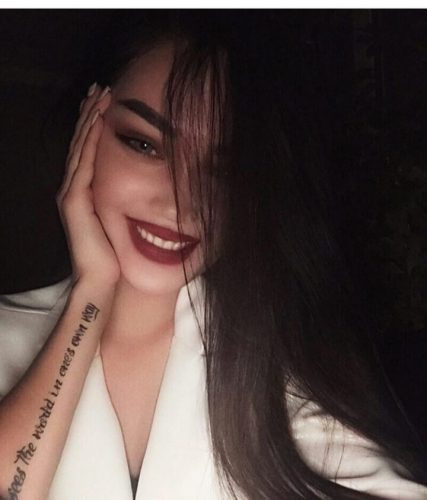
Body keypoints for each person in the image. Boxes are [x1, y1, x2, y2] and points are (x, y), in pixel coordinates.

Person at [0, 11, 426, 500]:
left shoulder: (282, 370)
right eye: (145, 144)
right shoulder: (8, 333)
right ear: (86, 130)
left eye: (223, 170)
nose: (180, 201)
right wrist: (90, 294)